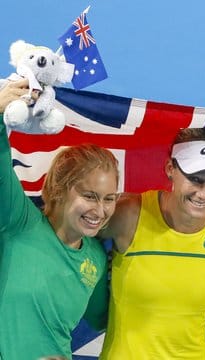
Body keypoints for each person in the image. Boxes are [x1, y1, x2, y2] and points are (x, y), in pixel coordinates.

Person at [0, 79, 117, 359]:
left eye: (109, 198)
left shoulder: (96, 259)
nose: (100, 210)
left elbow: (106, 319)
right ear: (59, 190)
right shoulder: (20, 222)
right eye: (89, 196)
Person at [98, 128, 205, 359]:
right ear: (170, 169)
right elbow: (66, 237)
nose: (203, 194)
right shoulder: (130, 214)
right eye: (194, 179)